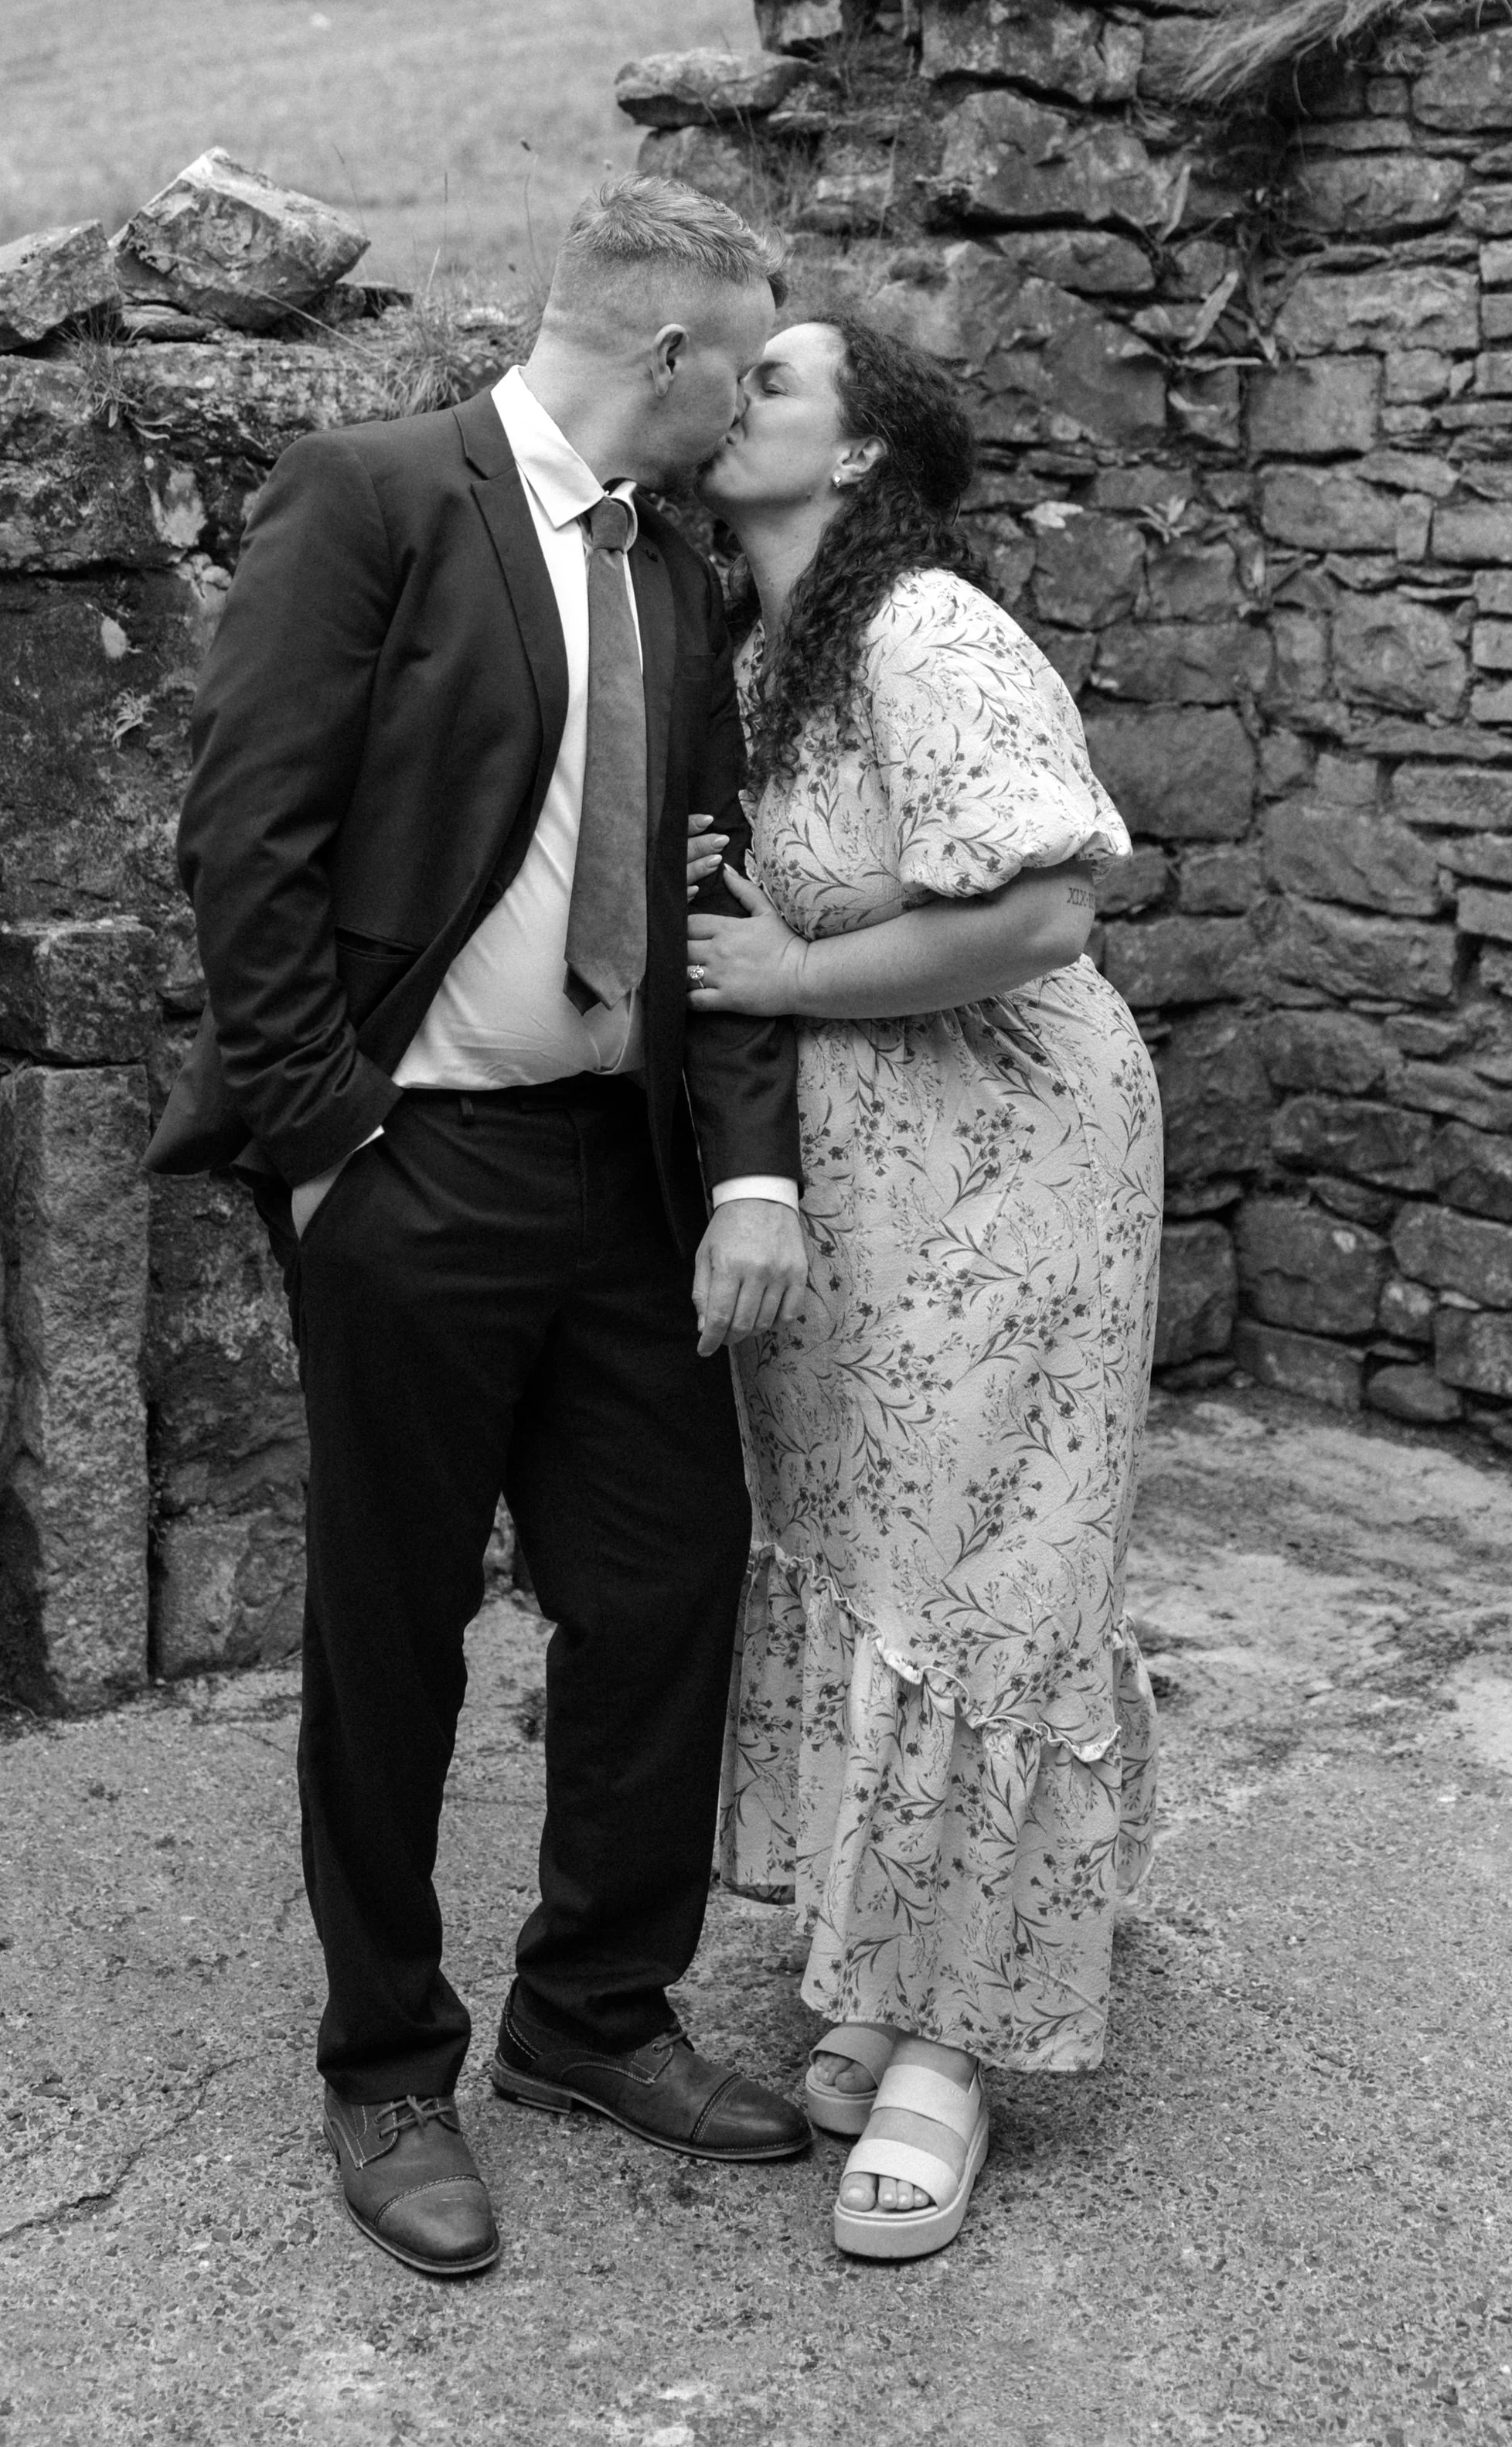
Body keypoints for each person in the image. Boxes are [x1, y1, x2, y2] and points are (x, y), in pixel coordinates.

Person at [148, 175, 817, 2282]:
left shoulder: (680, 567)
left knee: (665, 1580)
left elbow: (700, 892)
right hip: (410, 1170)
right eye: (743, 357)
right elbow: (242, 837)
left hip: (611, 1177)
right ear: (665, 356)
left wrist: (743, 1162)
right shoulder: (372, 494)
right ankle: (383, 2062)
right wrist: (331, 1137)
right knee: (391, 1622)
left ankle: (590, 2010)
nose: (746, 399)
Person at [685, 291, 1162, 2264]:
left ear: (860, 451)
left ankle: (951, 2058)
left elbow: (1045, 903)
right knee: (875, 1557)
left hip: (1017, 1151)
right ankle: (878, 1980)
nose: (731, 396)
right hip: (862, 1169)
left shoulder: (923, 629)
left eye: (774, 380)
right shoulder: (757, 651)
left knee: (988, 1573)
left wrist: (787, 978)